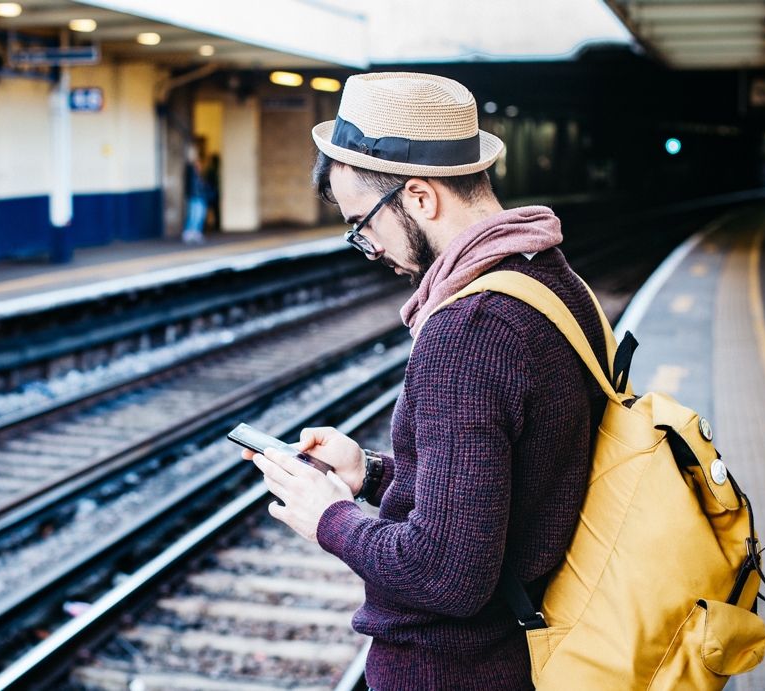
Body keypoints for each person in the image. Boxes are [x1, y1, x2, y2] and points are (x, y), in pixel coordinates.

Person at [243, 72, 609, 690]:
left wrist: (329, 516)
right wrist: (370, 474)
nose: (367, 247)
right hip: (528, 646)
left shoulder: (468, 330)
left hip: (457, 669)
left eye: (363, 224)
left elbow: (446, 574)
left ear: (418, 196)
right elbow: (507, 490)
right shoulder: (551, 281)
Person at [182, 145, 207, 244]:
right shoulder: (191, 170)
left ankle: (195, 232)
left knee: (199, 215)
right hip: (195, 196)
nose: (199, 165)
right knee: (194, 215)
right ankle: (189, 232)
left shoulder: (197, 175)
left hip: (199, 196)